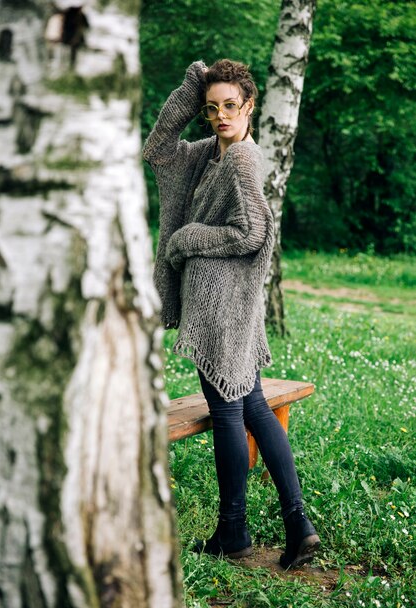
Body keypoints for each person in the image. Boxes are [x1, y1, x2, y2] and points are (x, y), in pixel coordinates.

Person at [142, 59, 321, 569]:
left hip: (222, 303)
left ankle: (234, 534)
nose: (220, 115)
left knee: (227, 411)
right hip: (227, 301)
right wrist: (188, 90)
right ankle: (298, 524)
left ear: (249, 106)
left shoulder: (241, 159)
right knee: (255, 406)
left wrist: (188, 238)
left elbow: (252, 233)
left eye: (230, 105)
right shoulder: (207, 155)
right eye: (211, 108)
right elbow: (157, 150)